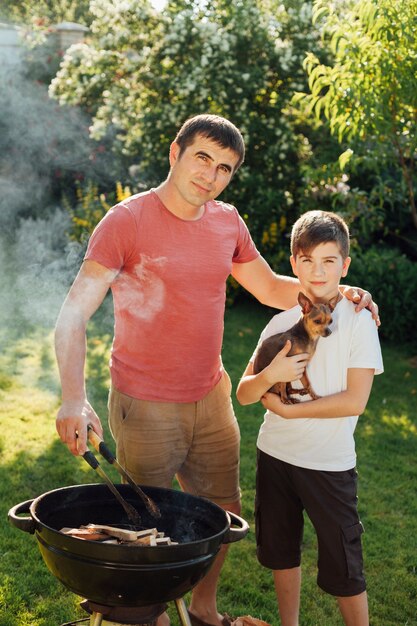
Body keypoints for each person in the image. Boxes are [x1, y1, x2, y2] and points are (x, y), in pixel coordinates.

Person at [54, 115, 379, 626]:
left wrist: (343, 294)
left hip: (212, 396)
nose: (210, 174)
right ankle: (146, 615)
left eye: (224, 167)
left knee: (222, 513)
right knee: (143, 521)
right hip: (146, 401)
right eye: (202, 158)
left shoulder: (227, 222)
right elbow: (73, 314)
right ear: (175, 152)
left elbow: (274, 290)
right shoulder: (127, 221)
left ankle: (203, 609)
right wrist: (74, 397)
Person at [236, 210, 383, 626]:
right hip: (276, 454)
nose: (317, 271)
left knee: (343, 563)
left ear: (345, 265)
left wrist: (289, 407)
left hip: (329, 464)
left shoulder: (359, 321)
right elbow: (245, 393)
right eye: (307, 261)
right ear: (294, 264)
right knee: (282, 552)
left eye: (329, 261)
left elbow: (355, 401)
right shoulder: (280, 322)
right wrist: (272, 376)